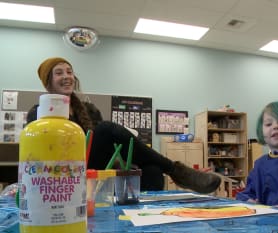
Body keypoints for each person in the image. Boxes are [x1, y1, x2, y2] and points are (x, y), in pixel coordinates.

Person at [27, 57, 221, 193]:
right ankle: (177, 171)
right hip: (62, 170)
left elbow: (105, 150)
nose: (66, 76)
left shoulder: (89, 109)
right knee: (105, 129)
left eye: (69, 71)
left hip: (96, 167)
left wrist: (126, 167)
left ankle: (144, 217)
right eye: (59, 73)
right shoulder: (38, 113)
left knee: (152, 170)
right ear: (48, 82)